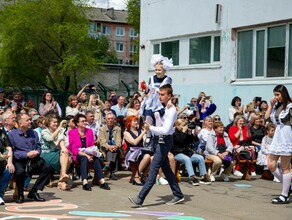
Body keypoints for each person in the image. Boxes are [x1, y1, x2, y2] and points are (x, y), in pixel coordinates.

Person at [129, 84, 184, 207]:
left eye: (163, 95)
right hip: (158, 140)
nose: (160, 97)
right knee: (167, 170)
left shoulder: (171, 110)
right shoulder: (162, 106)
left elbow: (165, 130)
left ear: (169, 96)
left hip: (164, 140)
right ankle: (178, 194)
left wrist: (150, 128)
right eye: (160, 94)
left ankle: (140, 198)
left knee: (153, 170)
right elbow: (150, 98)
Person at [8, 113, 52, 203]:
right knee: (20, 172)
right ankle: (20, 195)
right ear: (20, 124)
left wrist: (37, 152)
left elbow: (39, 146)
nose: (30, 122)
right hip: (20, 160)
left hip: (33, 159)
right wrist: (26, 154)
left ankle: (34, 191)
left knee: (47, 168)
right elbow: (13, 151)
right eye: (27, 120)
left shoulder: (34, 133)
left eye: (30, 120)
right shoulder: (12, 134)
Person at [265, 84, 292, 204]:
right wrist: (271, 105)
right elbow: (266, 117)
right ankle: (288, 186)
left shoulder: (290, 106)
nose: (276, 97)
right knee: (271, 164)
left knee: (285, 167)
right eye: (275, 94)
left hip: (287, 137)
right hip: (278, 136)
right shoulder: (278, 107)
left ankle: (284, 195)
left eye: (278, 94)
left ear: (283, 94)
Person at [68, 114, 110, 191]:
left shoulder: (89, 131)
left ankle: (102, 181)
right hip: (78, 155)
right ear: (77, 123)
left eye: (85, 121)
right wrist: (87, 156)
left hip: (90, 153)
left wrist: (90, 155)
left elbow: (91, 146)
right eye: (82, 121)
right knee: (84, 158)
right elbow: (74, 149)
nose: (85, 122)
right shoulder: (72, 132)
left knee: (96, 159)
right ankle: (85, 182)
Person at [140, 54, 173, 146]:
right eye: (156, 70)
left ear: (164, 70)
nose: (157, 72)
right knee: (148, 117)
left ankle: (160, 135)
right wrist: (145, 88)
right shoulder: (151, 78)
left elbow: (169, 91)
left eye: (159, 70)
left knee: (157, 114)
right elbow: (149, 90)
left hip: (161, 101)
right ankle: (149, 135)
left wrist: (169, 100)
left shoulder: (168, 79)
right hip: (151, 101)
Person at [172, 119, 211, 186]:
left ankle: (204, 177)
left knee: (200, 158)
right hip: (177, 153)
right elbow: (180, 141)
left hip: (187, 152)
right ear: (177, 125)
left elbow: (190, 141)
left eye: (185, 125)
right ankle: (192, 177)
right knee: (187, 159)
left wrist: (190, 134)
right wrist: (184, 132)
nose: (185, 127)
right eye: (183, 125)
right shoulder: (174, 133)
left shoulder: (185, 132)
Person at [41, 115, 71, 190]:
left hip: (56, 152)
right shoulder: (44, 131)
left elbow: (65, 142)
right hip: (46, 153)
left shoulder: (59, 131)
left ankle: (62, 179)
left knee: (67, 156)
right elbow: (50, 138)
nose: (56, 124)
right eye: (54, 122)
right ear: (48, 123)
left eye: (57, 122)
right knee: (67, 157)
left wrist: (63, 147)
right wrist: (60, 127)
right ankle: (61, 181)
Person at [124, 115, 152, 185]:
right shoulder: (126, 132)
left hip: (142, 150)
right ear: (129, 122)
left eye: (137, 121)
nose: (136, 122)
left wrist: (146, 133)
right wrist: (143, 132)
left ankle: (144, 176)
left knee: (152, 157)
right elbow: (134, 142)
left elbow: (146, 143)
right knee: (147, 156)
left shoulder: (140, 130)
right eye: (134, 121)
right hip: (132, 151)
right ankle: (136, 177)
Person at [99, 113, 121, 180]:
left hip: (115, 148)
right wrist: (109, 147)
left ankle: (107, 165)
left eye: (112, 119)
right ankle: (112, 172)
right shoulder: (102, 129)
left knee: (113, 151)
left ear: (114, 120)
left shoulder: (118, 129)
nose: (110, 120)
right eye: (109, 119)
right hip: (105, 148)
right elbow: (102, 141)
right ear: (105, 120)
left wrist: (116, 146)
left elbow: (118, 140)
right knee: (111, 152)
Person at [0, 128, 15, 205]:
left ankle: (0, 194)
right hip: (1, 159)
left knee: (9, 169)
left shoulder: (2, 133)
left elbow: (9, 149)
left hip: (2, 162)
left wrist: (9, 163)